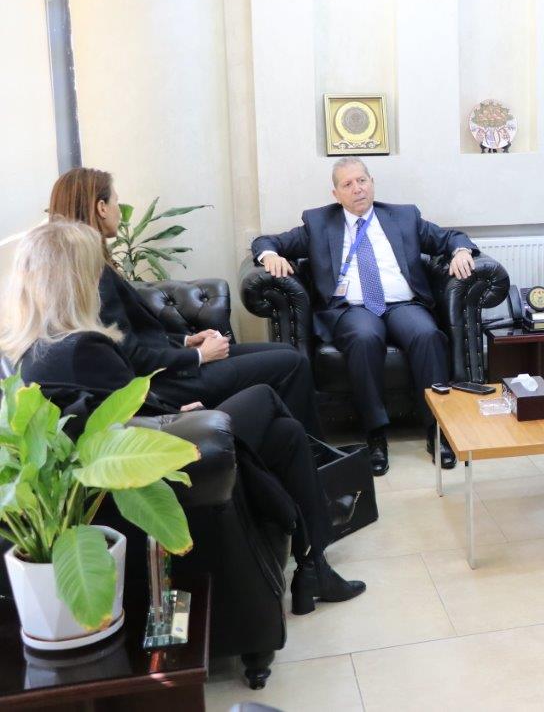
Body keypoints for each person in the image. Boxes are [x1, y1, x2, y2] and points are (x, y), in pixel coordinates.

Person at [0, 219, 365, 614]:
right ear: (74, 280)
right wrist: (178, 415)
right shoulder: (82, 348)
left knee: (287, 433)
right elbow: (124, 422)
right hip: (166, 460)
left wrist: (173, 412)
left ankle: (314, 565)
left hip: (157, 436)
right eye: (92, 271)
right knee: (265, 397)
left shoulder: (34, 347)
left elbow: (118, 412)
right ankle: (317, 547)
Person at [47, 168, 322, 437]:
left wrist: (187, 341)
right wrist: (199, 356)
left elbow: (132, 338)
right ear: (101, 208)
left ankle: (284, 444)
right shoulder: (95, 275)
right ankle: (313, 452)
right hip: (161, 384)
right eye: (116, 202)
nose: (119, 211)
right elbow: (131, 356)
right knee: (291, 363)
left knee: (288, 353)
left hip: (168, 367)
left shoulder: (75, 270)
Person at [251, 156, 479, 475]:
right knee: (364, 338)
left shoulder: (404, 216)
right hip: (352, 309)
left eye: (362, 180)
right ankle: (375, 435)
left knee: (427, 335)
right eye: (348, 184)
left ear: (372, 183)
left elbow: (451, 237)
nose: (357, 189)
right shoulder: (318, 223)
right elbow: (266, 241)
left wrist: (461, 252)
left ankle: (437, 430)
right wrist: (270, 256)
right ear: (336, 194)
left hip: (403, 304)